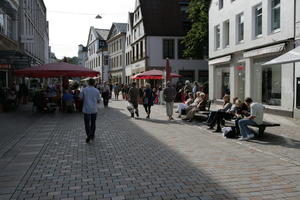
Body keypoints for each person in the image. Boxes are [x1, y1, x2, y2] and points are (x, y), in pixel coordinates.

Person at [80, 79, 101, 143]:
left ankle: (88, 134)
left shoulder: (84, 89)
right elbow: (99, 100)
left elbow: (81, 98)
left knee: (86, 123)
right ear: (94, 83)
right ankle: (92, 135)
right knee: (93, 123)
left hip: (86, 109)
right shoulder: (96, 90)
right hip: (94, 109)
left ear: (88, 83)